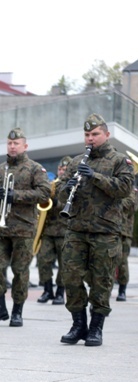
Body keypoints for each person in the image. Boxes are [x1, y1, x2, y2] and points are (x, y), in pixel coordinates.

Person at [59, 113, 134, 347]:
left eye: (95, 134)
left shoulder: (119, 161)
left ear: (106, 135)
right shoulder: (77, 161)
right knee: (70, 277)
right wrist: (67, 187)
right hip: (77, 228)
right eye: (87, 135)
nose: (90, 139)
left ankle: (96, 328)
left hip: (105, 230)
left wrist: (96, 177)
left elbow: (124, 189)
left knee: (101, 281)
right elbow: (60, 193)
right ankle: (78, 324)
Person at [0, 128, 50, 327]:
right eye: (10, 143)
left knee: (20, 271)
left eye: (16, 143)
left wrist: (16, 196)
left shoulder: (35, 168)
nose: (12, 146)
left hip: (23, 228)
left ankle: (17, 311)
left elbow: (44, 193)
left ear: (25, 146)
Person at [36, 156, 72, 305]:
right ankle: (47, 289)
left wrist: (57, 203)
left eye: (65, 169)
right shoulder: (52, 185)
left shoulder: (72, 186)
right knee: (43, 260)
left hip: (65, 232)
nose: (61, 172)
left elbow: (71, 206)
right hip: (49, 231)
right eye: (60, 169)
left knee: (64, 264)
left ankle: (60, 292)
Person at [116, 187, 138, 301]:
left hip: (124, 232)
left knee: (122, 262)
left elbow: (130, 205)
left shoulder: (131, 191)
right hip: (110, 230)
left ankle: (122, 289)